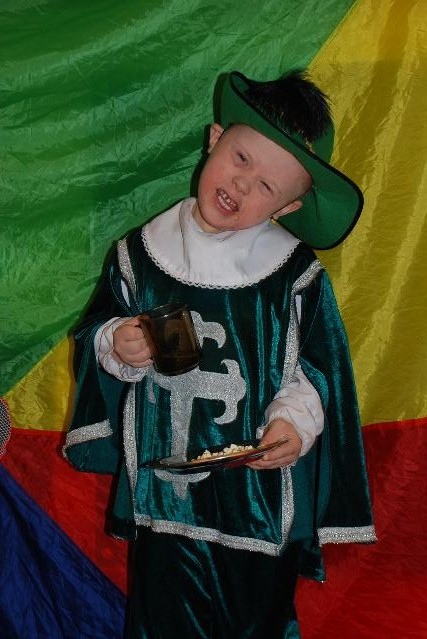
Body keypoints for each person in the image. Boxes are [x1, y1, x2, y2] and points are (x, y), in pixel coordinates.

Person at [64, 69, 375, 638]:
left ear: (287, 207)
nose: (241, 184)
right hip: (166, 497)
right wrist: (117, 343)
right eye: (241, 158)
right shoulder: (142, 254)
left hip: (255, 502)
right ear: (215, 139)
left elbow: (318, 370)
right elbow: (97, 332)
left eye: (266, 186)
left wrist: (293, 422)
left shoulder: (293, 276)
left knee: (255, 625)